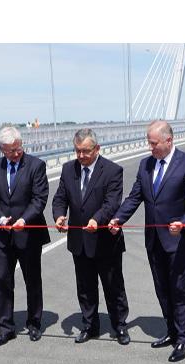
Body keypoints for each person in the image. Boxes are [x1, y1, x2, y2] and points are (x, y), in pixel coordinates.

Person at [110, 120, 185, 363]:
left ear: (168, 141)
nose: (149, 147)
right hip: (153, 239)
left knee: (179, 290)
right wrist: (117, 218)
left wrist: (184, 221)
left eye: (153, 143)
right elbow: (135, 197)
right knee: (162, 289)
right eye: (148, 142)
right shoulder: (145, 165)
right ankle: (171, 331)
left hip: (176, 239)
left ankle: (183, 338)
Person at [53, 128, 130, 345]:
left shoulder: (113, 171)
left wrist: (98, 219)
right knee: (85, 287)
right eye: (77, 151)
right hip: (79, 242)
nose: (81, 156)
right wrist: (59, 215)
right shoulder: (69, 170)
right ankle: (90, 325)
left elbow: (112, 202)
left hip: (106, 241)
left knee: (113, 286)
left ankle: (120, 326)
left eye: (85, 151)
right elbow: (60, 198)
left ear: (97, 149)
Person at [0, 125, 50, 345]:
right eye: (11, 150)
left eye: (19, 148)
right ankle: (6, 327)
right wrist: (1, 218)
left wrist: (25, 219)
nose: (17, 153)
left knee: (32, 280)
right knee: (4, 280)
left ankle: (34, 323)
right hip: (4, 235)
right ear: (1, 149)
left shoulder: (36, 166)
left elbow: (39, 199)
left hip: (28, 233)